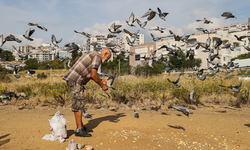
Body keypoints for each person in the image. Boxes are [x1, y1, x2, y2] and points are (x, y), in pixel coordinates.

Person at [63, 48, 111, 137]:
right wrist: (102, 85)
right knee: (78, 105)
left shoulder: (93, 54)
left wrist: (101, 80)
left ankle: (81, 126)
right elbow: (93, 75)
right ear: (104, 54)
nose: (106, 61)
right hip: (75, 80)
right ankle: (79, 130)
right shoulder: (98, 57)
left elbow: (90, 74)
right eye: (107, 58)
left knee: (79, 104)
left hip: (74, 79)